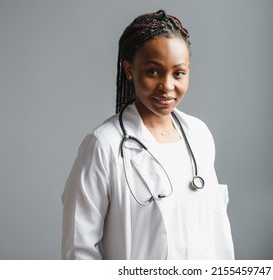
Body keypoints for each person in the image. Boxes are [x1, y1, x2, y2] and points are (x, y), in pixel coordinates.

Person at [62, 10, 234, 260]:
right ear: (130, 70)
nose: (167, 86)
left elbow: (217, 231)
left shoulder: (199, 135)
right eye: (153, 71)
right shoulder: (104, 145)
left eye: (178, 73)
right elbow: (79, 249)